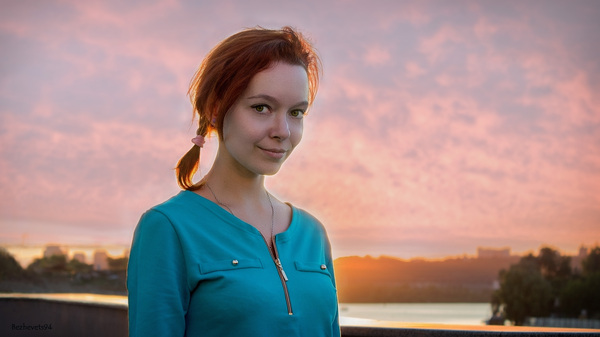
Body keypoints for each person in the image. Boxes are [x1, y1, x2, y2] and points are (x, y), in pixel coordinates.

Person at [127, 26, 340, 337]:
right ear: (215, 110)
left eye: (296, 112)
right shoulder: (168, 227)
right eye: (261, 107)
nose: (283, 130)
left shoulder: (313, 233)